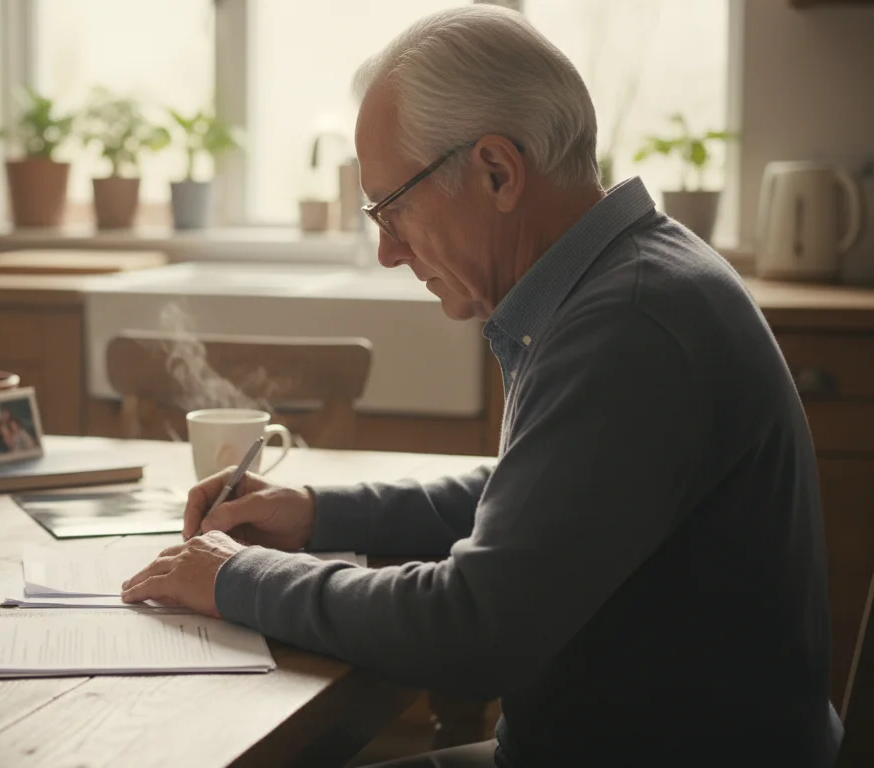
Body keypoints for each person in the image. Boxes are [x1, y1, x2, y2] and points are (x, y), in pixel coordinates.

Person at [120, 7, 841, 768]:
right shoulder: (630, 280)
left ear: (498, 171)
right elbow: (541, 495)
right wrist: (318, 513)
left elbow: (473, 629)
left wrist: (242, 578)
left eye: (391, 208)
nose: (388, 250)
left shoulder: (630, 324)